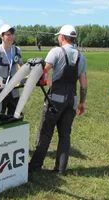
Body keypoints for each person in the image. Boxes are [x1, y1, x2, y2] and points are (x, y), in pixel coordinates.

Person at [28, 25, 88, 175]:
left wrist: (26, 79)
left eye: (58, 36)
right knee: (65, 135)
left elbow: (44, 69)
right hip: (72, 100)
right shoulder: (81, 56)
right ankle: (61, 168)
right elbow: (84, 83)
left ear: (62, 37)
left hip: (55, 99)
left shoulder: (56, 52)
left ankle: (35, 166)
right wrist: (82, 102)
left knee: (45, 132)